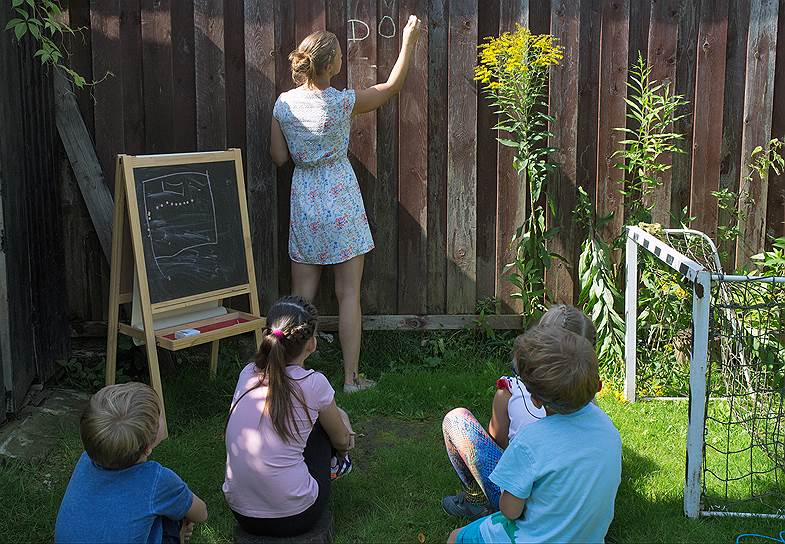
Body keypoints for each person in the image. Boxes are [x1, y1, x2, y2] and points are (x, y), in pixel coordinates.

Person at [270, 16, 422, 393]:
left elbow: (278, 158)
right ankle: (351, 379)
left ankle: (288, 377)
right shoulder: (341, 103)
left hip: (305, 199)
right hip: (341, 201)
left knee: (300, 297)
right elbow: (390, 87)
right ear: (331, 66)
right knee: (348, 294)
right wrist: (408, 41)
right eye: (339, 55)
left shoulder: (283, 104)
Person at [447, 325, 622, 544]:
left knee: (455, 538)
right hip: (588, 537)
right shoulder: (608, 429)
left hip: (532, 538)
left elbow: (511, 511)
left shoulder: (531, 441)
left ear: (536, 399)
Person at [441, 305, 599, 518]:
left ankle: (477, 499)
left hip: (520, 503)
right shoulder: (593, 409)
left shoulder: (510, 392)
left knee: (456, 419)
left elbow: (498, 442)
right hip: (576, 505)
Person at [223, 296, 355, 538]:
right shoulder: (313, 383)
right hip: (297, 516)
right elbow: (340, 439)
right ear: (312, 344)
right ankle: (338, 467)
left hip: (242, 513)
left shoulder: (247, 373)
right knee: (326, 424)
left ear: (266, 334)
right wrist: (344, 441)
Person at [55, 383, 208, 544]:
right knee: (176, 514)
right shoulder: (156, 480)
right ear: (148, 447)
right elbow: (201, 513)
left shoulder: (86, 459)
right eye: (159, 415)